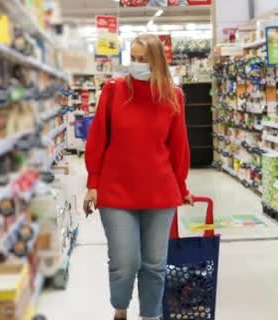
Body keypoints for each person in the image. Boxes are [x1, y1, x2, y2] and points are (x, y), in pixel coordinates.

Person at [83, 34, 192, 320]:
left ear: (157, 61)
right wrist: (92, 182)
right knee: (125, 261)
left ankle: (150, 315)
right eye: (134, 58)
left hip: (160, 190)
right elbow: (98, 138)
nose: (137, 64)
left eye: (144, 59)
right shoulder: (114, 89)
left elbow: (178, 146)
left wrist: (181, 185)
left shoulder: (173, 95)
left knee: (155, 263)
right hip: (116, 190)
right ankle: (120, 308)